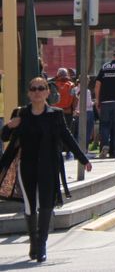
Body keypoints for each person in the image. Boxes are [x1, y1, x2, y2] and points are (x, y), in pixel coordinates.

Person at [0, 77, 92, 262]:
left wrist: (83, 159)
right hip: (26, 166)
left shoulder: (55, 114)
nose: (37, 92)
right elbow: (5, 137)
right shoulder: (21, 114)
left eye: (41, 88)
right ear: (29, 93)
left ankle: (41, 245)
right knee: (30, 205)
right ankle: (33, 242)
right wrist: (10, 125)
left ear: (47, 92)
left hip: (49, 166)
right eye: (33, 88)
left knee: (47, 204)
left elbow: (67, 137)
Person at [71, 79, 95, 154]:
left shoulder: (74, 89)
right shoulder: (87, 91)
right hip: (87, 113)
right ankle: (84, 151)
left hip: (77, 113)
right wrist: (94, 102)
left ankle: (77, 151)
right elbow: (88, 104)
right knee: (87, 133)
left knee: (77, 133)